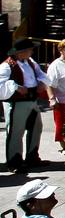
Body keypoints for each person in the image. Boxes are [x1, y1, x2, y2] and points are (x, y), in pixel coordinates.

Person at [1, 38, 49, 173]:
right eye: (30, 50)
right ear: (21, 52)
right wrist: (16, 87)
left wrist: (42, 83)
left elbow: (41, 75)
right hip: (17, 103)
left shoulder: (30, 62)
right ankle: (14, 162)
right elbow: (1, 84)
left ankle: (32, 158)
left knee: (36, 128)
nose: (32, 52)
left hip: (32, 100)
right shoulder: (7, 65)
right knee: (16, 131)